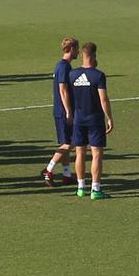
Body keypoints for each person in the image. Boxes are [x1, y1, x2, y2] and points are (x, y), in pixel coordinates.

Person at [63, 42, 113, 200]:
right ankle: (95, 189)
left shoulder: (72, 74)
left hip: (78, 119)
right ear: (94, 55)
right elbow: (103, 99)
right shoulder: (98, 75)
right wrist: (109, 118)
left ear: (83, 55)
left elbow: (68, 95)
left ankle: (80, 187)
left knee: (79, 153)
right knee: (96, 154)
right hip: (95, 119)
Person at [42, 37, 79, 187]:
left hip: (60, 110)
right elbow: (63, 90)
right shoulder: (64, 67)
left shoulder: (62, 66)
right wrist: (69, 111)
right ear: (71, 49)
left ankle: (66, 174)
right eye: (76, 49)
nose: (78, 52)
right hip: (63, 111)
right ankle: (49, 169)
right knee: (69, 144)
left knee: (66, 142)